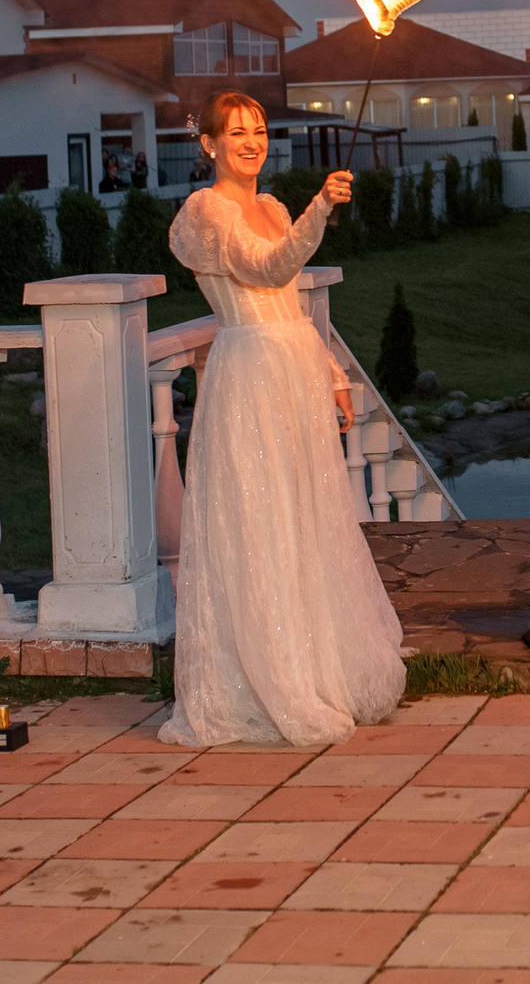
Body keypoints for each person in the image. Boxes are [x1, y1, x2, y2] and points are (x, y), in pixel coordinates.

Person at [159, 92, 402, 748]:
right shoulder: (204, 212)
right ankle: (265, 679)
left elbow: (289, 303)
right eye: (236, 131)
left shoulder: (269, 207)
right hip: (249, 377)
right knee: (258, 521)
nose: (252, 140)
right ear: (208, 143)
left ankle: (317, 668)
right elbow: (267, 265)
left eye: (260, 129)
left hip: (291, 370)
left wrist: (332, 375)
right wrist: (321, 206)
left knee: (302, 518)